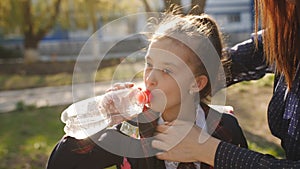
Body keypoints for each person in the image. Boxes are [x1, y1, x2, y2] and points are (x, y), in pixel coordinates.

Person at [46, 11, 247, 169]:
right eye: (149, 64)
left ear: (196, 83)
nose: (150, 78)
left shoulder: (225, 129)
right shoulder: (131, 130)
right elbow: (61, 163)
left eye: (167, 70)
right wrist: (101, 118)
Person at [152, 0, 300, 168]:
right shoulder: (291, 35)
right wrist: (157, 85)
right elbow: (250, 55)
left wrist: (210, 151)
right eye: (148, 65)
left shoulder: (227, 128)